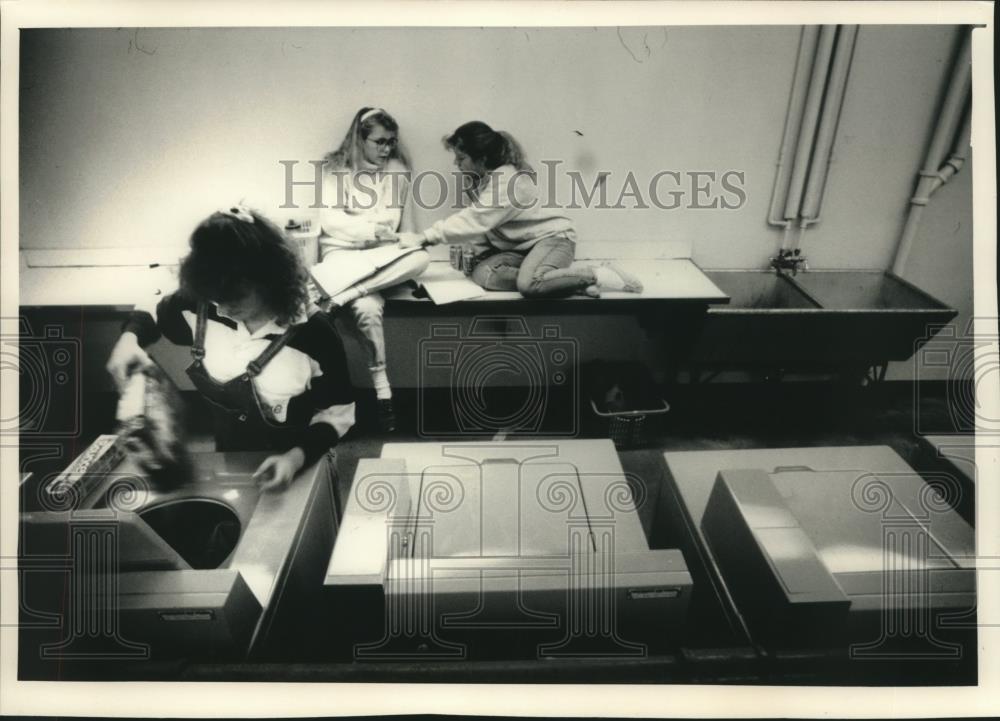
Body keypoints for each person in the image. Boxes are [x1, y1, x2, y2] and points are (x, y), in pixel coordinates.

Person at [106, 206, 356, 491]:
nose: (222, 309)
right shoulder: (203, 305)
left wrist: (294, 459)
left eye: (234, 297)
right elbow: (152, 303)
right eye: (215, 297)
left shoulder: (314, 333)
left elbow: (338, 414)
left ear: (270, 281)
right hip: (228, 459)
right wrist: (129, 340)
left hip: (301, 463)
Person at [392, 120, 643, 298]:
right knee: (483, 275)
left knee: (528, 286)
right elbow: (486, 227)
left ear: (481, 159)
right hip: (523, 249)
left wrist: (424, 238)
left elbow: (475, 220)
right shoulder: (485, 180)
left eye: (461, 158)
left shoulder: (507, 182)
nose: (456, 164)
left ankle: (599, 274)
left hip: (554, 240)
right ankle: (566, 285)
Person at [314, 107, 430, 432]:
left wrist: (388, 234)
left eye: (390, 142)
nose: (386, 149)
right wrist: (369, 228)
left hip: (379, 261)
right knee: (367, 305)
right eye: (379, 141)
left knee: (418, 260)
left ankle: (341, 297)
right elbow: (330, 221)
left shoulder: (397, 172)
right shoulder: (335, 169)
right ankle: (384, 393)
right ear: (359, 138)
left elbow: (396, 225)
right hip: (342, 258)